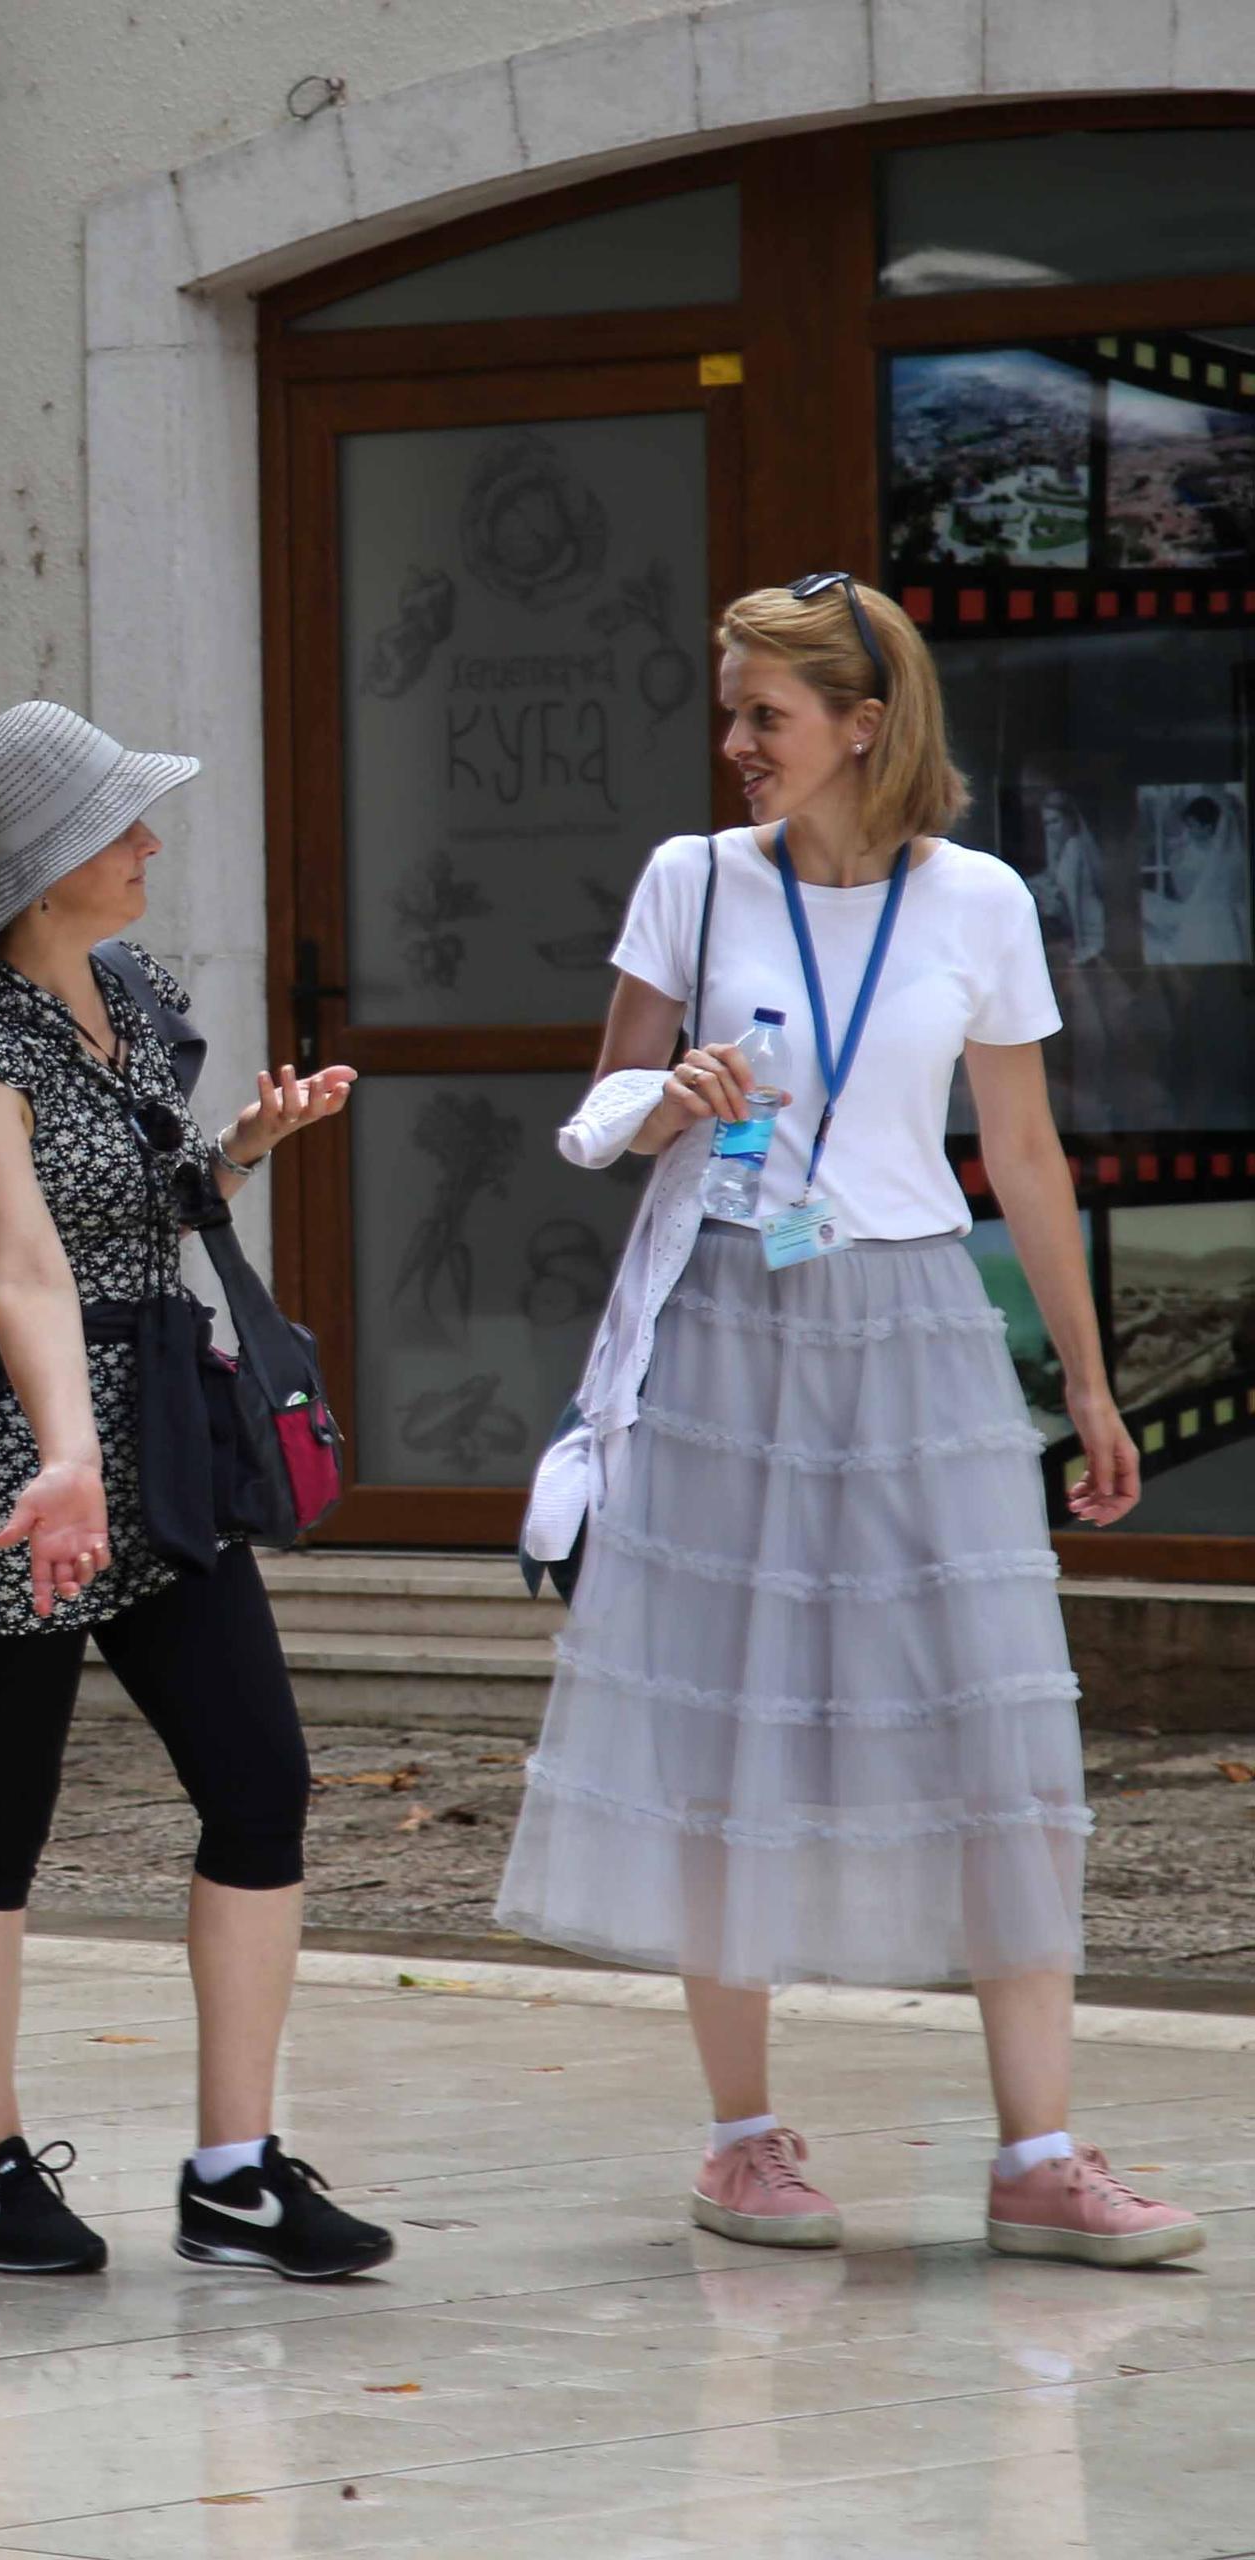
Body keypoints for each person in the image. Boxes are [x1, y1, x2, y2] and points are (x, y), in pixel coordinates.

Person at [500, 576, 1200, 2269]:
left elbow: (1022, 1157)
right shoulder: (693, 880)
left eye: (766, 715)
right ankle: (743, 2140)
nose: (736, 744)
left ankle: (1038, 2153)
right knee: (726, 1716)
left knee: (998, 1722)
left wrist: (1094, 1387)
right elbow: (598, 1101)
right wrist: (660, 1103)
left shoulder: (977, 901)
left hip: (913, 1329)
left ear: (864, 726)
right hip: (730, 1322)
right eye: (730, 710)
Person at [0, 698, 384, 2282]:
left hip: (152, 1416)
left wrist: (238, 1151)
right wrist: (65, 1453)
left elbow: (140, 1203)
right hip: (16, 1454)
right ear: (46, 866)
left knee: (259, 1779)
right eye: (122, 827)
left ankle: (233, 2169)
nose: (151, 843)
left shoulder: (134, 993)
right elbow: (19, 1262)